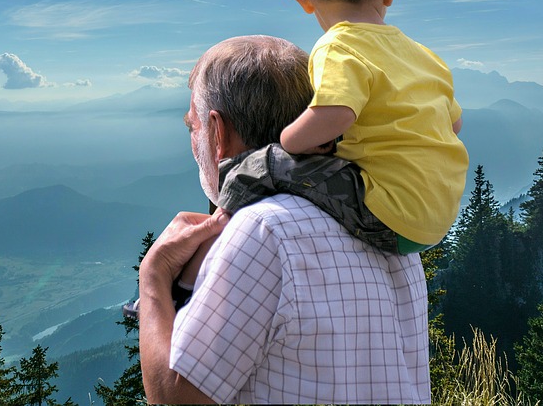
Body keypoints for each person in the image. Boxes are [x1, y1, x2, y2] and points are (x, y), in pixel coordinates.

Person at [139, 35, 430, 404]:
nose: (191, 136)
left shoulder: (263, 231)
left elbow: (177, 399)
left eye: (191, 126)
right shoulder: (384, 222)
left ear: (218, 133)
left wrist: (154, 278)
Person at [218, 0, 468, 254]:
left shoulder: (337, 46)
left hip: (387, 215)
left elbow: (335, 115)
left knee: (256, 167)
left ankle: (211, 250)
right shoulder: (425, 56)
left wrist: (290, 139)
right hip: (439, 216)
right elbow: (454, 127)